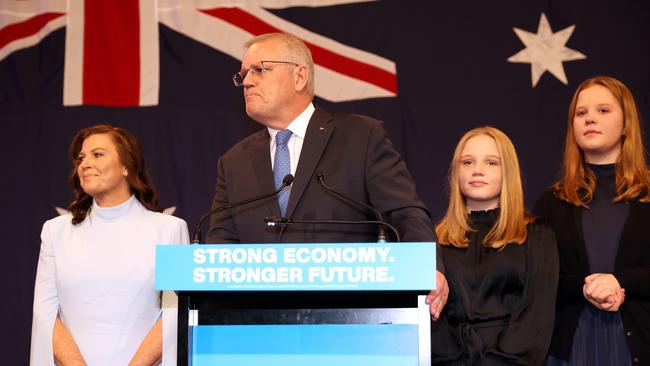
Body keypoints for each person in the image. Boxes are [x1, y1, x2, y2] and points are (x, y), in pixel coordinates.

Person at [205, 32, 447, 316]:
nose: (246, 81)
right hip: (260, 326)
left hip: (351, 319)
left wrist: (427, 268)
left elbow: (404, 214)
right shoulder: (233, 162)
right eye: (244, 74)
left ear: (299, 76)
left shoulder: (361, 137)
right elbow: (220, 246)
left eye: (260, 69)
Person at [30, 125, 189, 365]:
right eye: (81, 157)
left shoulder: (169, 229)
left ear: (126, 166)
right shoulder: (56, 231)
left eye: (98, 154)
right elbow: (45, 314)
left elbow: (174, 312)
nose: (84, 163)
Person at [535, 76, 650, 365]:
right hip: (569, 347)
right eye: (581, 113)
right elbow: (539, 281)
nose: (590, 119)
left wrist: (621, 282)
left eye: (603, 110)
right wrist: (584, 287)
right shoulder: (551, 202)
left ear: (626, 124)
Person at [431, 126, 559, 365]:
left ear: (508, 172)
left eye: (491, 163)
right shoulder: (434, 240)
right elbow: (431, 316)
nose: (477, 170)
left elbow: (536, 315)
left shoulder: (536, 235)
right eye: (467, 162)